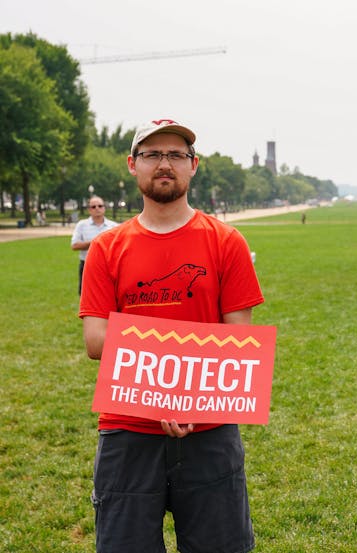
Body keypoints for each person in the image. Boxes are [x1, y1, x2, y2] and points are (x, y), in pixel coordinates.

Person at [79, 119, 264, 553]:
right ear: (132, 165)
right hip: (127, 430)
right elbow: (96, 339)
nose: (165, 163)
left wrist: (184, 395)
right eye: (152, 154)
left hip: (210, 429)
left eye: (177, 155)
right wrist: (165, 393)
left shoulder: (226, 242)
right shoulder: (107, 248)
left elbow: (238, 341)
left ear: (193, 166)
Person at [71, 196, 118, 294]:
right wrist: (96, 242)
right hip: (87, 265)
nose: (97, 208)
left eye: (100, 206)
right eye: (93, 207)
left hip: (109, 266)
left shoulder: (114, 226)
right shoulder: (82, 225)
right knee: (87, 295)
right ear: (89, 210)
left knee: (110, 294)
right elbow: (74, 245)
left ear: (104, 208)